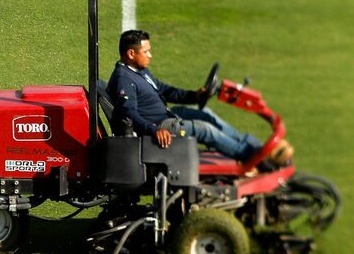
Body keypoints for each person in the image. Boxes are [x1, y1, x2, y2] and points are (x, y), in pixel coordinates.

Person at [107, 28, 293, 166]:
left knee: (207, 114)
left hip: (167, 115)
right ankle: (251, 157)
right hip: (159, 125)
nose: (150, 55)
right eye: (146, 51)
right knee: (204, 129)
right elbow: (128, 112)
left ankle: (254, 146)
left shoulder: (140, 70)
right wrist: (153, 130)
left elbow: (164, 90)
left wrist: (194, 96)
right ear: (131, 54)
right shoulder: (124, 79)